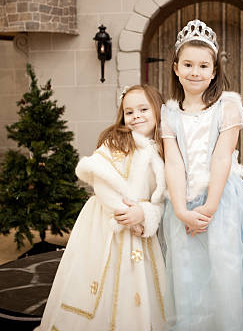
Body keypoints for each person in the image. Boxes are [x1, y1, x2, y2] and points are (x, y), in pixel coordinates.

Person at [161, 19, 243, 330]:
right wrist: (183, 211)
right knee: (188, 273)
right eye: (187, 64)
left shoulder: (228, 106)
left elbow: (222, 157)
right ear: (176, 68)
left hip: (221, 202)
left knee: (224, 271)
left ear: (213, 71)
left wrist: (209, 208)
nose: (194, 72)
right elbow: (173, 163)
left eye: (202, 65)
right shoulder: (169, 113)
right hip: (182, 204)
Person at [36, 85, 167, 331]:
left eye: (143, 109)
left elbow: (160, 200)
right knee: (99, 281)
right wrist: (125, 214)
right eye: (129, 112)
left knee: (137, 285)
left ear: (158, 111)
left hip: (139, 230)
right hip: (108, 223)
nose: (136, 116)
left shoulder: (162, 151)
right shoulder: (116, 141)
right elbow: (102, 182)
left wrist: (144, 216)